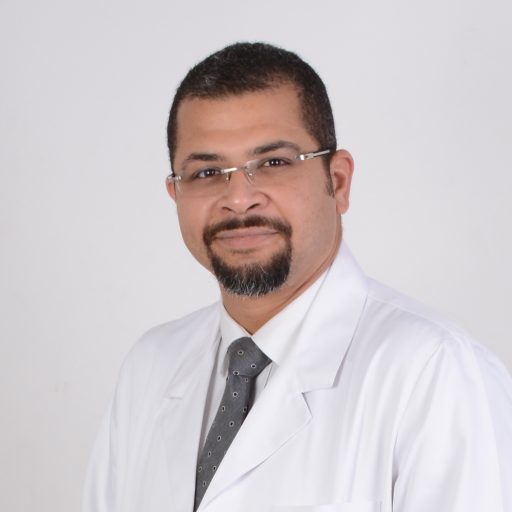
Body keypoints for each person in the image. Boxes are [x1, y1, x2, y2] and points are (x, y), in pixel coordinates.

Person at [83, 42, 512, 512]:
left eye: (273, 163)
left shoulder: (437, 374)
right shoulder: (150, 367)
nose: (239, 199)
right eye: (206, 172)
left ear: (338, 182)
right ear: (175, 194)